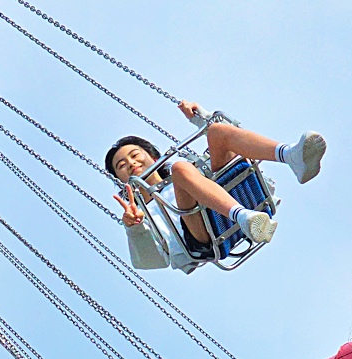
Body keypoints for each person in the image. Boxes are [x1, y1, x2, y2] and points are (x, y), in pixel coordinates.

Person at [106, 100, 326, 273]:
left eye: (135, 155)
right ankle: (244, 217)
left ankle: (290, 156)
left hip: (225, 200)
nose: (132, 164)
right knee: (181, 170)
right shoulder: (144, 211)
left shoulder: (190, 169)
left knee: (217, 132)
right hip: (201, 237)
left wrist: (199, 118)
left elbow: (230, 143)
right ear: (121, 180)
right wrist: (134, 228)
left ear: (153, 157)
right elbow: (149, 261)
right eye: (122, 166)